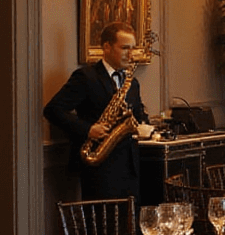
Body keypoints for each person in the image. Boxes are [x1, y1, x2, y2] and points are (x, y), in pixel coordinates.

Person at [44, 21, 150, 202]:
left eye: (133, 48)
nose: (131, 55)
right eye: (125, 48)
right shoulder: (86, 77)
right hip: (100, 169)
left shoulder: (132, 83)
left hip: (129, 167)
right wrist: (88, 129)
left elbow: (138, 115)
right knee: (103, 226)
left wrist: (145, 126)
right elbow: (53, 110)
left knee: (129, 226)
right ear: (106, 47)